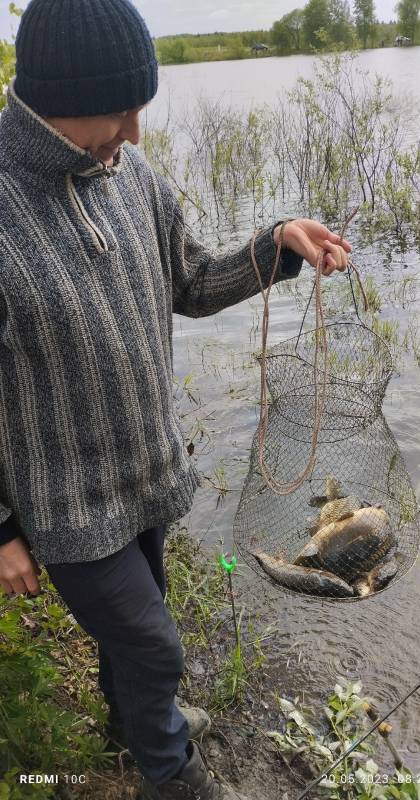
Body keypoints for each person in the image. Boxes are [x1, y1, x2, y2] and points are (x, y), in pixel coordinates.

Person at [0, 0, 351, 798]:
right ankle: (172, 774)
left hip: (145, 477)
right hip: (63, 506)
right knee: (158, 645)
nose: (134, 131)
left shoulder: (135, 178)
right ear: (55, 96)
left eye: (140, 109)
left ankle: (129, 720)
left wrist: (276, 244)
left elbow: (190, 280)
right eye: (120, 111)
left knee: (135, 631)